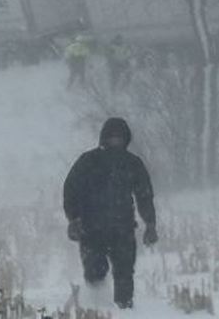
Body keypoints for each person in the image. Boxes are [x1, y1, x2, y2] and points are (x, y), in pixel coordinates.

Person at [62, 117, 157, 310]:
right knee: (95, 273)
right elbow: (70, 190)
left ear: (126, 139)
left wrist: (151, 224)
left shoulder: (133, 163)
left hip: (123, 230)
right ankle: (97, 309)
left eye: (119, 138)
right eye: (111, 137)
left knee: (124, 273)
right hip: (91, 230)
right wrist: (73, 219)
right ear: (103, 138)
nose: (115, 141)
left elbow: (144, 195)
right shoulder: (88, 161)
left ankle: (125, 310)